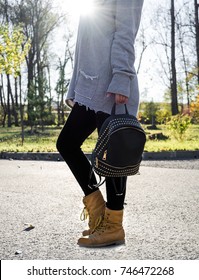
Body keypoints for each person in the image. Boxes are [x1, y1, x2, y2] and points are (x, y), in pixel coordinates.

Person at [56, 0, 144, 247]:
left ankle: (114, 225)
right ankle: (98, 213)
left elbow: (127, 30)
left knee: (115, 153)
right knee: (67, 143)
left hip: (112, 83)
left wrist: (121, 77)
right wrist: (75, 86)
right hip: (90, 85)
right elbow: (85, 38)